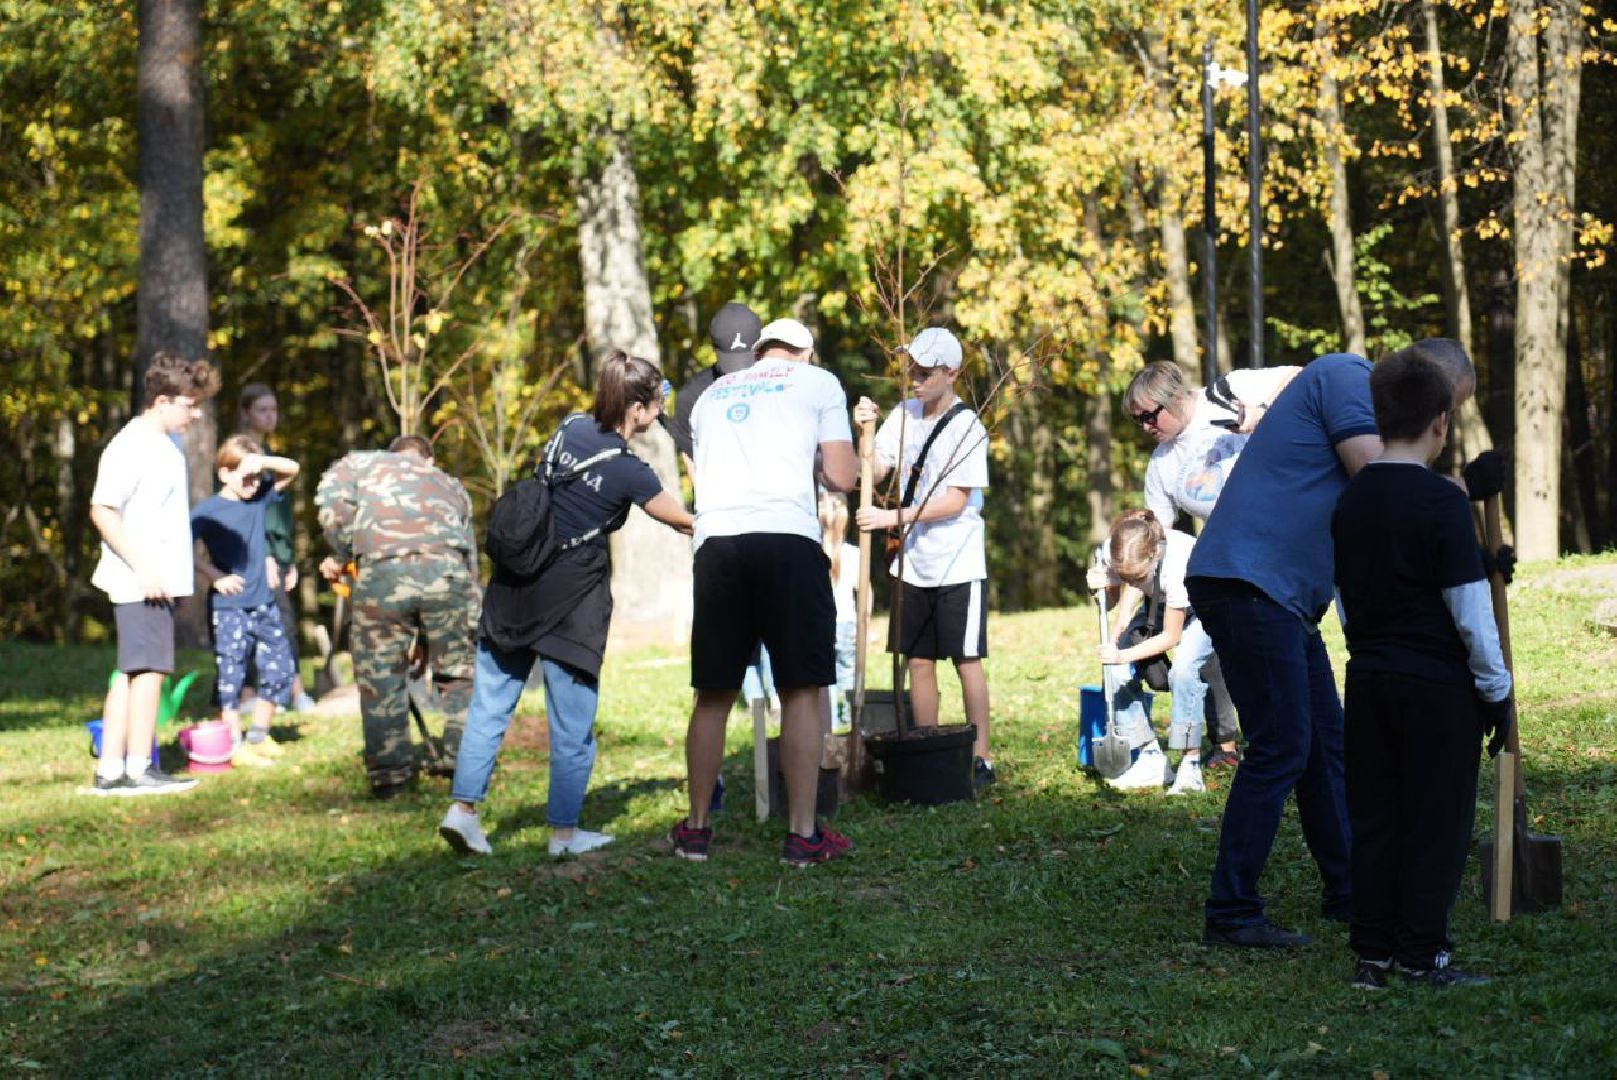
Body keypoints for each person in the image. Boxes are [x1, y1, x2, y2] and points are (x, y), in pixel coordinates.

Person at [1185, 340, 1487, 949]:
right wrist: (1456, 494)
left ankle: (1350, 892)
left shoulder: (1357, 392)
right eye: (1445, 410)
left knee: (1325, 745)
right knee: (1283, 745)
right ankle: (1232, 911)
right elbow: (1381, 484)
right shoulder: (1348, 377)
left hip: (1282, 596)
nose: (1440, 428)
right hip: (1248, 581)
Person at [438, 351, 694, 857]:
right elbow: (683, 520)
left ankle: (463, 812)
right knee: (572, 726)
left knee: (489, 708)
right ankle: (564, 835)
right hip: (569, 606)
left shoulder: (569, 427)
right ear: (638, 409)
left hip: (513, 591)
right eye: (656, 402)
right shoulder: (631, 473)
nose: (659, 411)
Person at [1332, 349, 1511, 989]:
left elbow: (1347, 602)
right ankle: (1422, 955)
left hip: (1370, 680)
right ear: (1441, 422)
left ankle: (1372, 954)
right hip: (1437, 688)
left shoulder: (1351, 501)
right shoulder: (1441, 504)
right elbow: (1470, 613)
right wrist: (1496, 692)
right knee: (1436, 821)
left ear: (1379, 419)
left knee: (1377, 817)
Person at [670, 317, 858, 866]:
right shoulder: (819, 382)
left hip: (718, 544)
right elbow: (843, 476)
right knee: (801, 687)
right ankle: (802, 834)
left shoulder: (711, 396)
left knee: (714, 691)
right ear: (806, 351)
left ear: (759, 352)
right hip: (787, 540)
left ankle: (697, 831)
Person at [1126, 361, 1299, 770]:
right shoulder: (1162, 464)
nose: (1147, 426)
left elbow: (1309, 377)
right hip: (1228, 561)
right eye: (1138, 421)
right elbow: (1153, 542)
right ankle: (1227, 744)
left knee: (1285, 650)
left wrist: (1261, 415)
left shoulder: (1225, 393)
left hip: (1285, 543)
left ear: (1175, 397)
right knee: (1213, 650)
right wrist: (1124, 604)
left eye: (1151, 414)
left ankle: (1293, 740)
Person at [853, 327, 996, 787]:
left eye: (925, 370)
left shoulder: (967, 427)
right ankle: (927, 743)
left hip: (957, 560)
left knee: (966, 660)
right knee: (917, 659)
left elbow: (955, 501)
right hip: (912, 562)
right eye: (910, 367)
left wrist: (892, 516)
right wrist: (868, 433)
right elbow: (875, 470)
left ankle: (980, 755)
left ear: (951, 373)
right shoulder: (904, 413)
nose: (913, 377)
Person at [85, 350, 220, 796]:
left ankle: (111, 770)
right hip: (140, 581)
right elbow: (102, 509)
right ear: (162, 401)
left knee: (132, 672)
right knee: (149, 672)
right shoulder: (132, 444)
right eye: (189, 404)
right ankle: (139, 768)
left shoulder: (169, 444)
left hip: (160, 579)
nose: (195, 414)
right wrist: (144, 567)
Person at [314, 434, 479, 798]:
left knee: (381, 675)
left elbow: (329, 500)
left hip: (382, 574)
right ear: (429, 460)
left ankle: (391, 777)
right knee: (459, 673)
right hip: (448, 573)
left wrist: (345, 551)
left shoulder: (362, 465)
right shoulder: (449, 484)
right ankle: (465, 765)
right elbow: (469, 554)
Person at [190, 435, 301, 766]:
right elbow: (181, 547)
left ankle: (259, 734)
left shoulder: (259, 500)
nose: (253, 483)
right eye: (245, 476)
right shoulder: (208, 511)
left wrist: (261, 463)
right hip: (230, 609)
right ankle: (233, 743)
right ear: (224, 474)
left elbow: (292, 469)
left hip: (264, 604)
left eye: (256, 477)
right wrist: (215, 576)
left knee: (280, 668)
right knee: (232, 675)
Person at [1087, 509, 1212, 794]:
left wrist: (1123, 655)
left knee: (1183, 670)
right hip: (1159, 601)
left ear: (1154, 555)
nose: (1131, 580)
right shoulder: (1115, 548)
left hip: (1205, 608)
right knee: (1114, 670)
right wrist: (1098, 589)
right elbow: (1112, 598)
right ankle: (1151, 756)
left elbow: (1171, 635)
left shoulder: (1178, 561)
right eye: (1125, 575)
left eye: (1137, 576)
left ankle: (1190, 765)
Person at [237, 384, 317, 713]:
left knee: (283, 621)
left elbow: (279, 513)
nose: (271, 416)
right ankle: (254, 694)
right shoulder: (239, 457)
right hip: (254, 554)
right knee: (260, 625)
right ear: (245, 414)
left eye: (274, 409)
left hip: (278, 553)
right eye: (262, 410)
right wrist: (265, 554)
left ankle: (289, 692)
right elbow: (245, 513)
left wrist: (288, 558)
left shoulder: (269, 454)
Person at [663, 302, 765, 475]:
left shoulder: (781, 385)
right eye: (732, 363)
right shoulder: (693, 395)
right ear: (714, 349)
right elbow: (691, 459)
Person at [821, 490, 860, 733]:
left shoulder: (812, 550)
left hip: (825, 622)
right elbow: (864, 589)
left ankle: (831, 722)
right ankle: (850, 716)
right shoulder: (853, 553)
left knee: (826, 676)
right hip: (846, 621)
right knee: (847, 673)